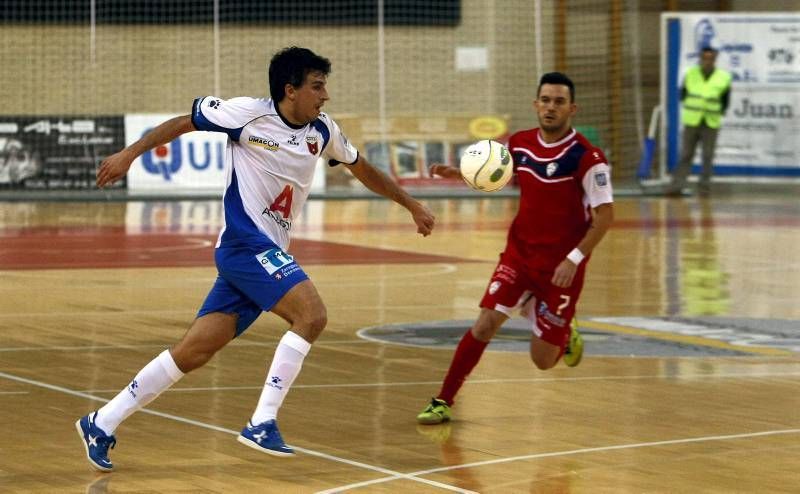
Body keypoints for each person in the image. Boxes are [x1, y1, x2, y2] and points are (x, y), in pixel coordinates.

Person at [76, 46, 435, 472]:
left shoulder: (323, 131)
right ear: (290, 90)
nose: (326, 96)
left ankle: (102, 421)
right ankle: (262, 420)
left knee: (192, 352)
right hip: (244, 246)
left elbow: (362, 168)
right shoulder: (247, 114)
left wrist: (410, 203)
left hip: (267, 253)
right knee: (312, 316)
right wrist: (129, 154)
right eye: (317, 86)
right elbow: (183, 122)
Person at [417, 72, 614, 425]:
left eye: (559, 101)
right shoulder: (520, 143)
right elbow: (497, 173)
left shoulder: (587, 157)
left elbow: (605, 215)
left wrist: (574, 258)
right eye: (546, 100)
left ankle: (565, 333)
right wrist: (458, 174)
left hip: (561, 269)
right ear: (536, 104)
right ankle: (443, 400)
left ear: (572, 108)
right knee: (485, 323)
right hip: (519, 255)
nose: (551, 107)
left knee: (542, 360)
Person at [667, 46, 732, 195]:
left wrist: (715, 111)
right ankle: (677, 186)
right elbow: (683, 94)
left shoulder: (723, 77)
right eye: (705, 58)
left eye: (711, 58)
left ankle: (704, 188)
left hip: (711, 122)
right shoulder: (691, 74)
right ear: (700, 58)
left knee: (708, 155)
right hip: (692, 121)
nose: (707, 61)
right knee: (686, 154)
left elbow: (725, 101)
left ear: (715, 59)